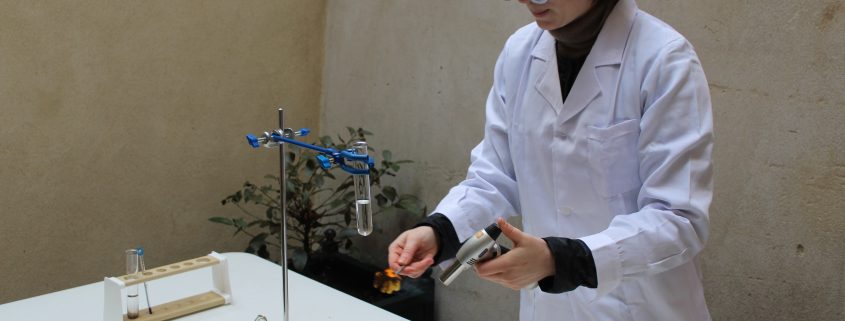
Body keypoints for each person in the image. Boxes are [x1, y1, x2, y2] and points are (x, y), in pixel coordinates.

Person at [388, 0, 713, 320]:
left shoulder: (664, 59)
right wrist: (440, 231)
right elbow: (496, 175)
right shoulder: (520, 52)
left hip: (639, 308)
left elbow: (679, 219)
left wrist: (561, 260)